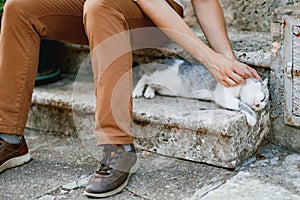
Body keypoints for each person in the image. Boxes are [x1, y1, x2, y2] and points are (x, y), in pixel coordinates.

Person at [0, 0, 262, 198]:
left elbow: (203, 1)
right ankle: (9, 139)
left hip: (154, 14)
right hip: (92, 8)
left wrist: (224, 60)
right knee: (18, 7)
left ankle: (118, 146)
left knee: (100, 5)